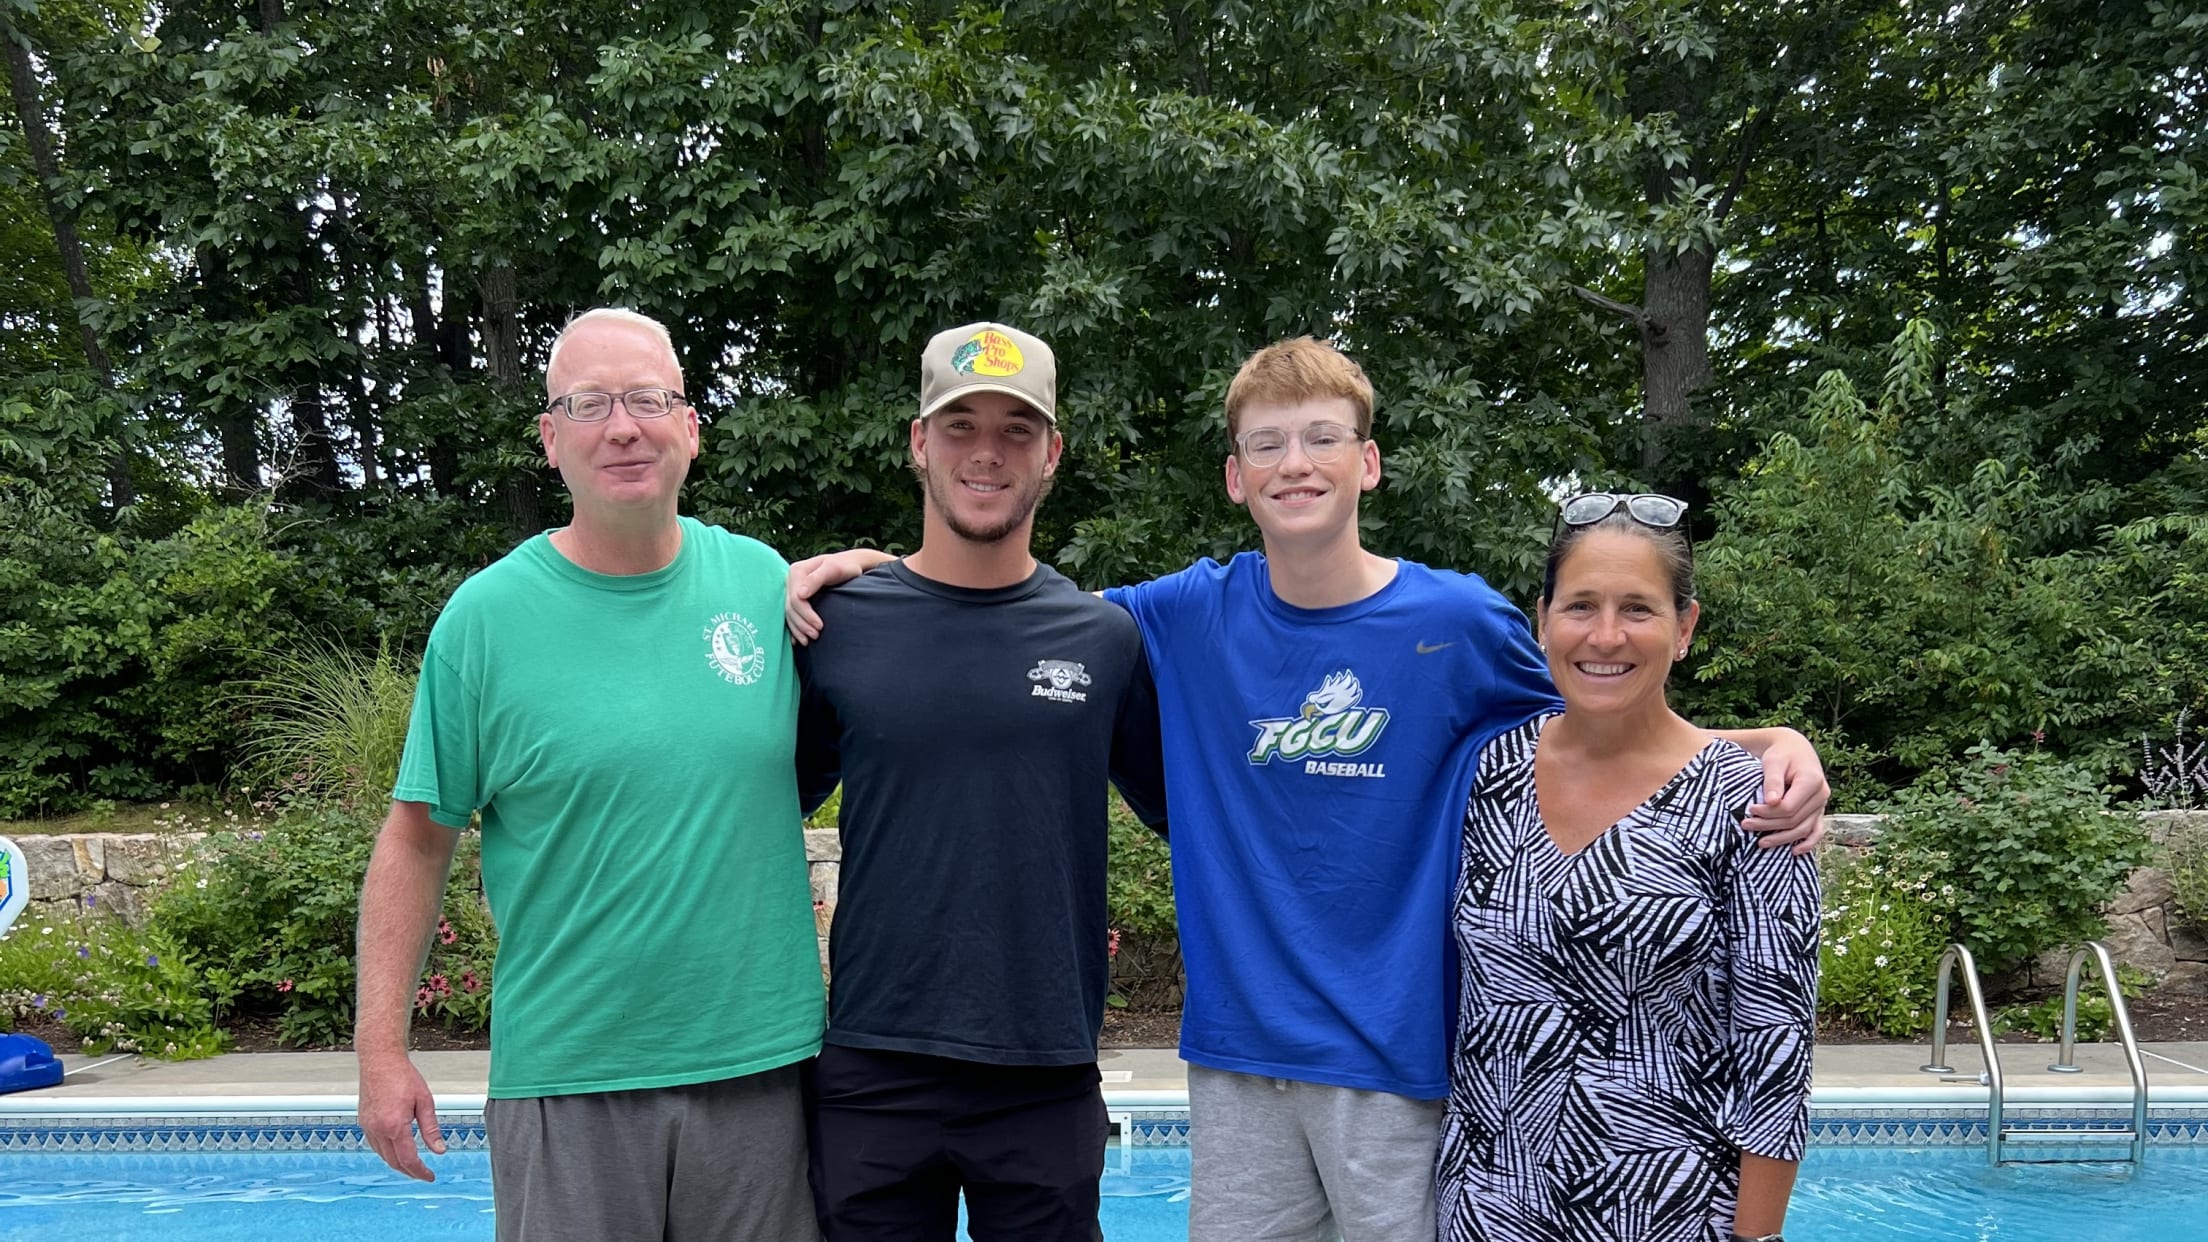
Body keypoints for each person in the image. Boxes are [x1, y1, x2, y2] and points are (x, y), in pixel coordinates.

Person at [788, 337, 1825, 1242]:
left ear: (1367, 462)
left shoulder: (1458, 624)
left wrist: (1768, 743)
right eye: (1269, 444)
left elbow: (1606, 701)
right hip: (1240, 1063)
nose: (1297, 464)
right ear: (1235, 476)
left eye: (1323, 438)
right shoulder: (1181, 615)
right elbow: (999, 620)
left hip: (1397, 1063)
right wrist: (866, 574)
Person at [355, 308, 823, 1242]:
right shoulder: (485, 622)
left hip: (761, 1075)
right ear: (550, 438)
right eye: (589, 403)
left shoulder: (767, 587)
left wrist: (875, 570)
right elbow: (415, 838)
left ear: (690, 427)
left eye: (649, 398)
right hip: (569, 1081)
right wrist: (380, 1053)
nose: (623, 426)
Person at [793, 321, 1169, 1242]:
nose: (987, 453)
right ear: (920, 443)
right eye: (961, 425)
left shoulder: (1105, 641)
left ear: (1052, 454)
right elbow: (738, 807)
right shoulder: (834, 624)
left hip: (1043, 1070)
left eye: (1017, 429)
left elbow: (1200, 823)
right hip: (873, 1065)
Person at [1439, 491, 1820, 1242]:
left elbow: (1776, 1051)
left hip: (1668, 1212)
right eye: (1581, 605)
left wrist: (1759, 1238)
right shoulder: (1486, 772)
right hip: (1484, 1207)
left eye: (1638, 609)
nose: (1606, 636)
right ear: (1542, 617)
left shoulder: (1752, 802)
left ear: (1684, 628)